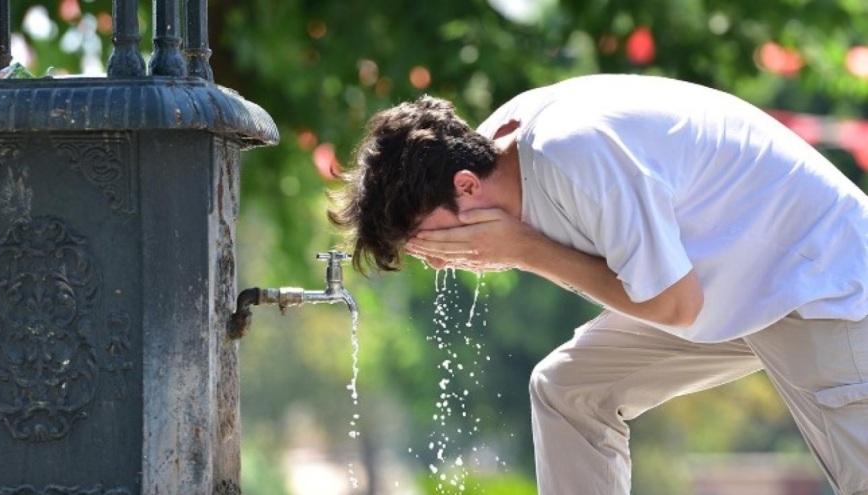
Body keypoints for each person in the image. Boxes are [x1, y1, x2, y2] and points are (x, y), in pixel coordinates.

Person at [327, 74, 868, 495]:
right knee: (568, 391)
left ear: (466, 186)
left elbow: (675, 306)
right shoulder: (493, 158)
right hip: (719, 282)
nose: (439, 263)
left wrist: (527, 250)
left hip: (815, 277)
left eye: (428, 241)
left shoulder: (571, 153)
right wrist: (521, 247)